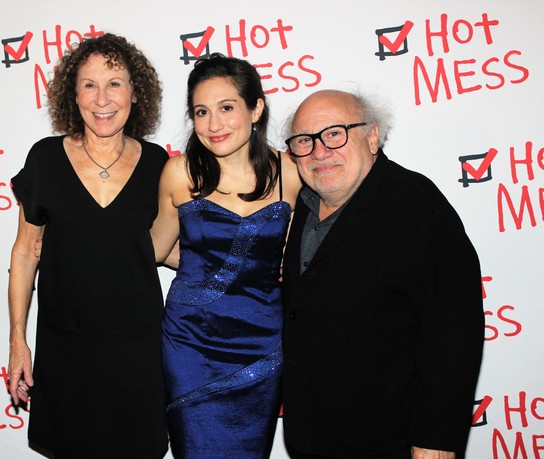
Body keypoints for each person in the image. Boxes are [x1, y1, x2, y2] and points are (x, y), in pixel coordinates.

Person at [281, 89, 484, 459]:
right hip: (312, 435)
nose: (319, 151)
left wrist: (435, 440)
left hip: (389, 440)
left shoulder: (416, 207)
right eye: (304, 141)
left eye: (335, 133)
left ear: (372, 136)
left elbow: (453, 332)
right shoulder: (304, 205)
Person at [7, 33, 168, 458]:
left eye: (115, 83)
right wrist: (17, 340)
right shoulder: (44, 159)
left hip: (139, 349)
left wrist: (245, 264)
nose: (102, 98)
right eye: (89, 84)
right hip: (66, 349)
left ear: (136, 93)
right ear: (72, 95)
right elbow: (25, 253)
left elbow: (166, 248)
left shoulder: (159, 165)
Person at [151, 53, 302, 458]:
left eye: (227, 107)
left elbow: (297, 256)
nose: (213, 124)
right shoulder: (179, 173)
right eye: (202, 111)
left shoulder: (291, 173)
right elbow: (155, 250)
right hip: (190, 343)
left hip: (262, 341)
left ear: (256, 109)